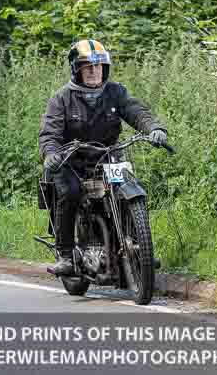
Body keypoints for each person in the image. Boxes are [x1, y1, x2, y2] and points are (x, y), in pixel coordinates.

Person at [38, 39, 169, 275]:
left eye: (98, 66)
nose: (93, 71)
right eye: (87, 66)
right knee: (71, 192)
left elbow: (136, 111)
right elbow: (50, 133)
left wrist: (154, 129)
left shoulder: (115, 92)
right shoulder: (62, 98)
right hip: (72, 161)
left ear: (105, 68)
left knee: (129, 187)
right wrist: (51, 153)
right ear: (76, 70)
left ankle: (141, 250)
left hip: (108, 156)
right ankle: (66, 255)